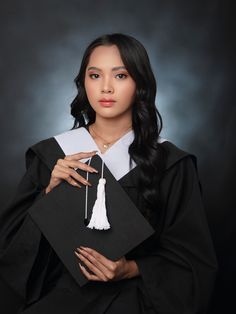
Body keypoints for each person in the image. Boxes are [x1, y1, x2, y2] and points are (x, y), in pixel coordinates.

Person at [0, 33, 218, 314]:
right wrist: (48, 194)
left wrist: (131, 269)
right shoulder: (53, 156)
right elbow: (13, 253)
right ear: (83, 83)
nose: (105, 88)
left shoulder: (171, 164)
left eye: (120, 76)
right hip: (59, 298)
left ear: (139, 83)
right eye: (94, 75)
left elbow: (193, 261)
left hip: (134, 302)